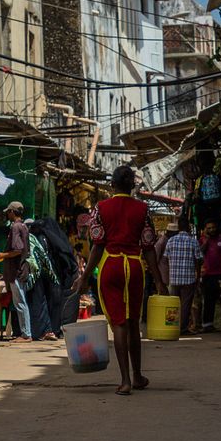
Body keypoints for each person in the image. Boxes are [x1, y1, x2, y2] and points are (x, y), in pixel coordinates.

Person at [74, 166, 165, 395]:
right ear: (133, 185)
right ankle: (137, 376)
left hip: (111, 267)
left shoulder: (101, 208)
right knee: (133, 322)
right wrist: (160, 281)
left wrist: (84, 277)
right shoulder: (143, 210)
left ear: (112, 185)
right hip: (134, 267)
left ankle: (124, 380)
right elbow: (149, 248)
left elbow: (97, 245)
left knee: (119, 324)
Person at [0, 201, 32, 342]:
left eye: (8, 212)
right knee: (21, 302)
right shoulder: (23, 226)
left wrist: (2, 255)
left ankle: (26, 334)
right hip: (21, 269)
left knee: (20, 302)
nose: (7, 214)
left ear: (12, 212)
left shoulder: (16, 227)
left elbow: (17, 250)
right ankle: (25, 332)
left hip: (16, 271)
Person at [165, 213, 203, 334]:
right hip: (188, 278)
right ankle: (183, 328)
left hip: (174, 278)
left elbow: (166, 258)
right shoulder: (193, 242)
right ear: (188, 227)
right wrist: (198, 275)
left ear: (179, 227)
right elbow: (198, 260)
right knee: (186, 304)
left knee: (174, 304)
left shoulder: (171, 241)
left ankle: (172, 327)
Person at [26, 222, 61, 341]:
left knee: (38, 303)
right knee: (43, 303)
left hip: (38, 276)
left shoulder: (35, 239)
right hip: (48, 275)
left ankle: (41, 331)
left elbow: (36, 260)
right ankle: (48, 330)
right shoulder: (48, 238)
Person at [199, 219, 221, 333]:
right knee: (209, 300)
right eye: (209, 228)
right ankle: (207, 324)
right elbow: (201, 252)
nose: (211, 230)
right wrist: (207, 240)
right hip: (208, 274)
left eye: (213, 227)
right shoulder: (203, 240)